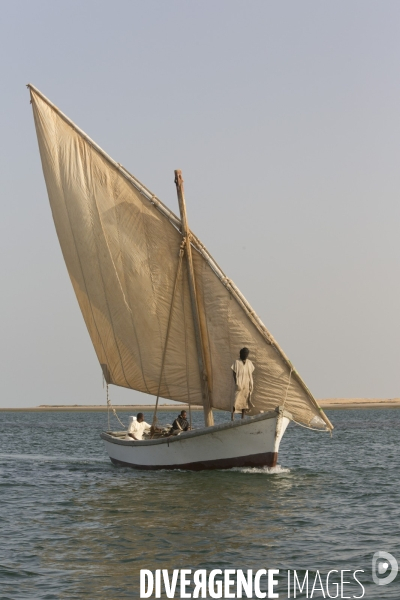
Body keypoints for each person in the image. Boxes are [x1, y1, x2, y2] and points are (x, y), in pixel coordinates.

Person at [231, 347, 255, 420]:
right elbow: (234, 373)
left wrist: (250, 384)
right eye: (244, 353)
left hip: (246, 384)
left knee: (245, 402)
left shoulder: (249, 363)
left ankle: (243, 417)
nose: (245, 355)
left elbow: (251, 372)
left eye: (246, 353)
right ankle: (232, 417)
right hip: (239, 384)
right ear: (241, 354)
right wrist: (236, 383)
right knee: (235, 401)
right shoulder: (236, 362)